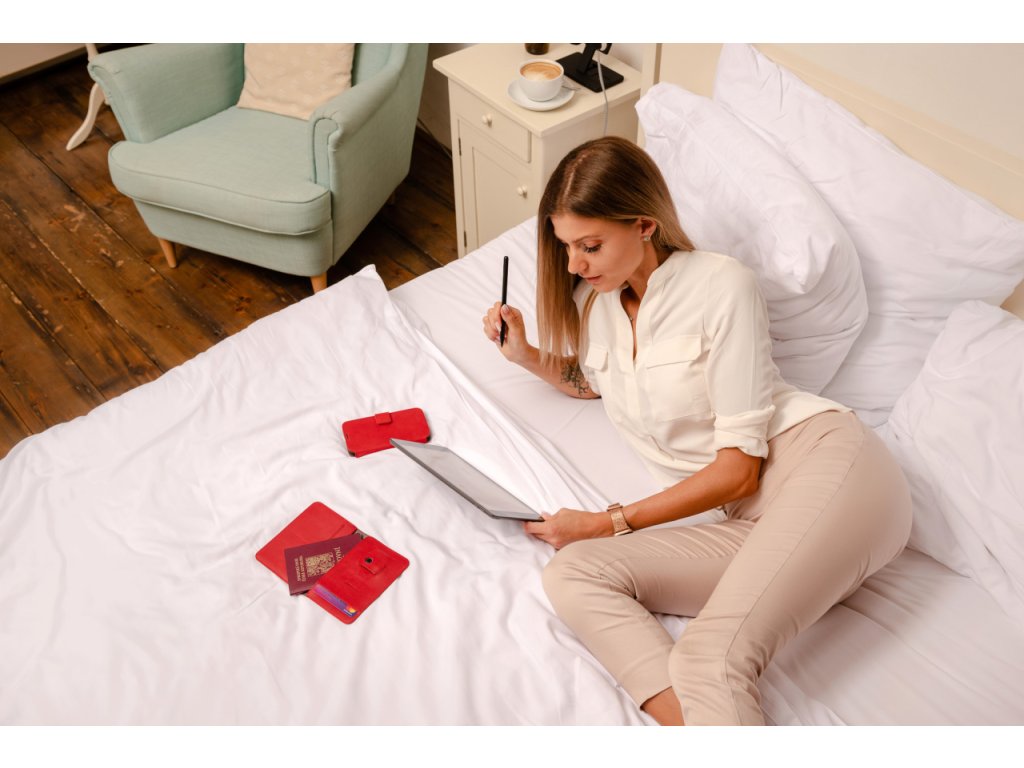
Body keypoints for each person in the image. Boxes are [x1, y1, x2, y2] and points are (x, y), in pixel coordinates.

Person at [480, 136, 912, 726]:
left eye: (590, 246)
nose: (575, 265)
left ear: (644, 225)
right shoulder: (598, 309)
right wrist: (527, 355)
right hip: (750, 523)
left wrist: (605, 522)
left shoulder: (720, 285)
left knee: (709, 658)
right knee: (575, 573)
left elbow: (738, 472)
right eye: (566, 247)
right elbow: (591, 381)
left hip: (828, 470)